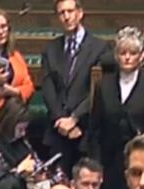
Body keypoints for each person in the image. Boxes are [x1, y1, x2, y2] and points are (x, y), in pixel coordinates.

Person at [86, 26, 144, 189]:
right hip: (110, 160)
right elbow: (95, 126)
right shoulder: (104, 84)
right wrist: (96, 162)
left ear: (141, 55)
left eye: (132, 53)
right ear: (116, 55)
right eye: (122, 53)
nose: (127, 57)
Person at [40, 0, 109, 175]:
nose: (66, 17)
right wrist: (61, 121)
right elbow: (48, 88)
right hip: (57, 131)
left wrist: (75, 119)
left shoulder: (100, 48)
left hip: (86, 130)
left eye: (70, 11)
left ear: (80, 13)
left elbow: (98, 88)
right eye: (62, 13)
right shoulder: (51, 49)